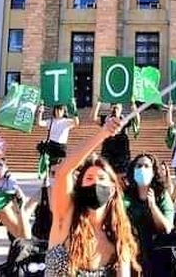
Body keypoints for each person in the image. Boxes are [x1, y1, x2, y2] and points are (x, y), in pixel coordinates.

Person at [46, 116, 139, 276]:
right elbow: (63, 172)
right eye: (89, 178)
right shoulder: (65, 218)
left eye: (102, 179)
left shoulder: (119, 238)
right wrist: (102, 134)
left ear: (112, 189)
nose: (95, 183)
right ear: (80, 186)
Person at [124, 153, 174, 270]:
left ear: (153, 172)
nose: (142, 169)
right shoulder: (126, 195)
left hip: (156, 251)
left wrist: (153, 207)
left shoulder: (162, 195)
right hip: (130, 249)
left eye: (146, 166)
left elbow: (167, 228)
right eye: (139, 166)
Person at [92, 101, 139, 178]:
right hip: (108, 151)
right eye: (113, 107)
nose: (115, 110)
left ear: (121, 109)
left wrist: (133, 105)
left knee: (123, 175)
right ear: (110, 109)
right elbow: (93, 118)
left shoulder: (125, 119)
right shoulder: (106, 119)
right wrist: (98, 103)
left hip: (122, 152)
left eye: (117, 108)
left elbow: (136, 119)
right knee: (106, 174)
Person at [37, 100, 79, 165]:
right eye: (57, 110)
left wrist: (74, 110)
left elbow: (76, 123)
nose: (58, 112)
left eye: (60, 110)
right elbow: (39, 123)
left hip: (61, 147)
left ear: (64, 111)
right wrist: (40, 112)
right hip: (51, 145)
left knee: (60, 167)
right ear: (54, 111)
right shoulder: (50, 121)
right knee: (50, 166)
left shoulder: (66, 121)